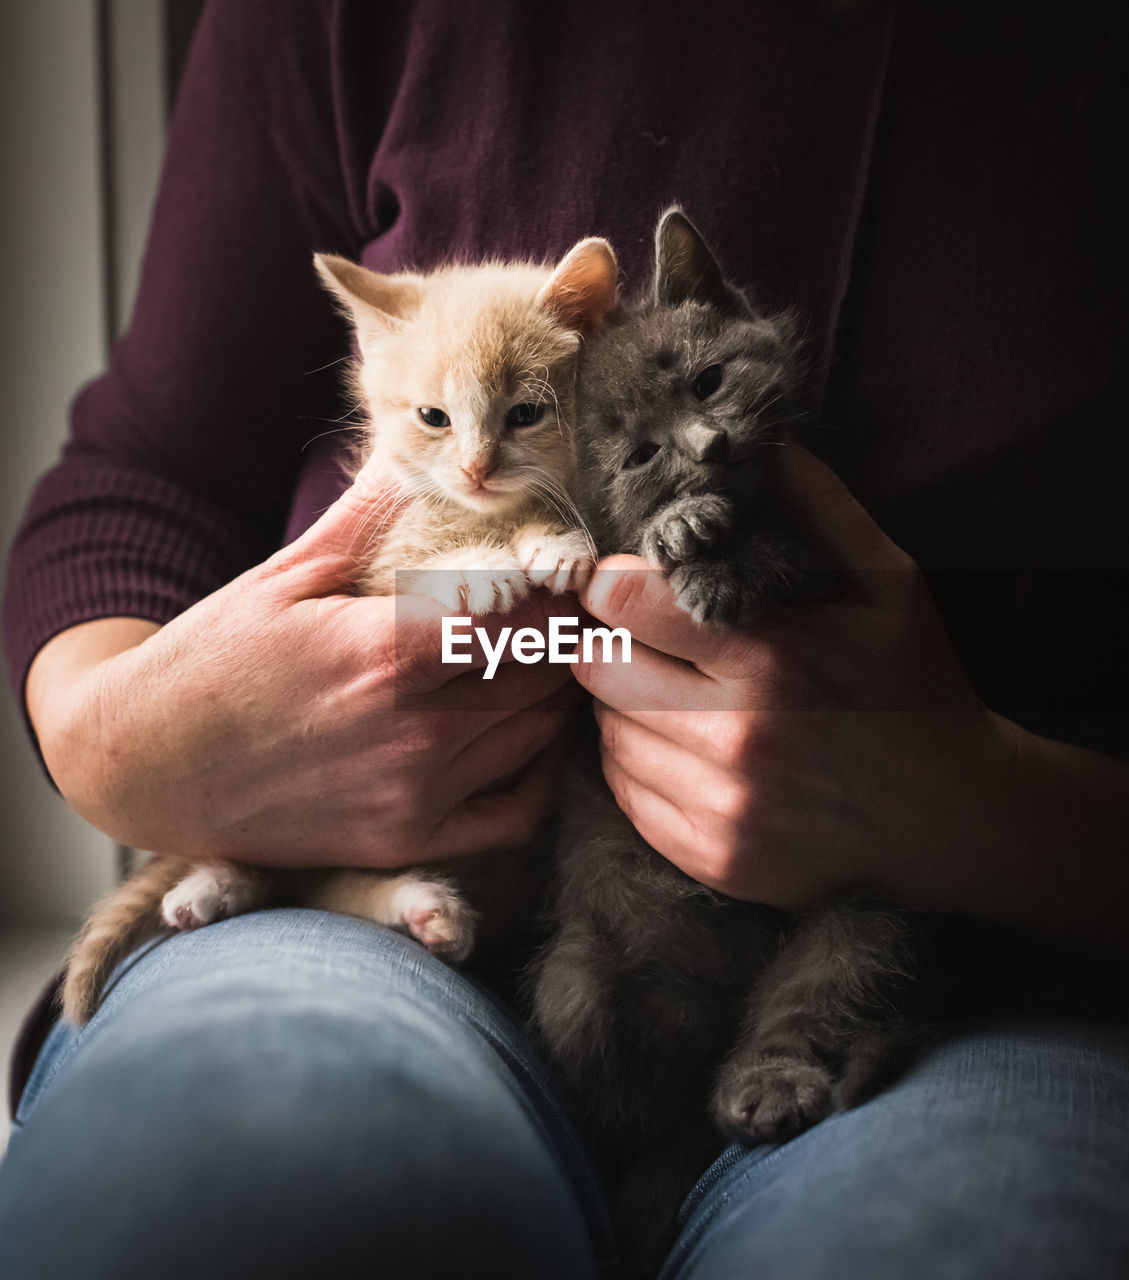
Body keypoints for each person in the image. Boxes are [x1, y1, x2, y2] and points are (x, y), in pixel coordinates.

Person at [2, 1, 1128, 1276]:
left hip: (975, 971)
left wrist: (986, 804)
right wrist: (117, 742)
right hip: (390, 901)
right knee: (243, 1188)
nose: (475, 456)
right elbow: (149, 467)